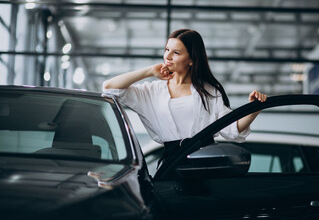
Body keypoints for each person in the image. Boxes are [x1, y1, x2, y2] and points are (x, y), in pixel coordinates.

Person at [103, 29, 267, 167]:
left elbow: (231, 130)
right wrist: (149, 71)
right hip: (171, 165)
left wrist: (253, 109)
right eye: (167, 49)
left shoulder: (209, 91)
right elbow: (110, 88)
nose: (168, 56)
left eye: (176, 52)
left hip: (207, 164)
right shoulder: (152, 91)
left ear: (191, 60)